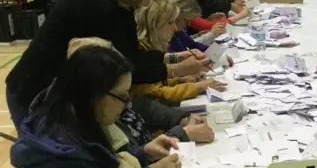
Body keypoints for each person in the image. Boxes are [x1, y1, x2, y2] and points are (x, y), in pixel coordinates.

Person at [5, 0, 211, 128]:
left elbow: (132, 53)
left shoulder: (120, 4)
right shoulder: (99, 9)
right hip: (35, 92)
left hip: (52, 92)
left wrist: (173, 59)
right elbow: (126, 67)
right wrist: (175, 69)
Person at [0, 46, 181, 168]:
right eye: (123, 96)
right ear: (94, 96)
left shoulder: (78, 123)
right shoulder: (60, 162)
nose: (129, 104)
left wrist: (143, 153)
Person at [67, 37, 215, 145]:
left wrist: (182, 118)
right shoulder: (94, 131)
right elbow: (135, 161)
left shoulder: (113, 103)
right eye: (122, 96)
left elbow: (148, 108)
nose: (129, 103)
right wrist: (182, 134)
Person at [132, 0, 226, 104]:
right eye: (170, 22)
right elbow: (155, 93)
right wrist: (198, 87)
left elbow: (159, 81)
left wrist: (181, 80)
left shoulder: (152, 48)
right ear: (154, 24)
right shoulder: (139, 52)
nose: (175, 28)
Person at [160, 0, 226, 53]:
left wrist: (213, 52)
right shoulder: (165, 38)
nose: (188, 24)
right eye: (186, 21)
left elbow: (192, 45)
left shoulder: (179, 32)